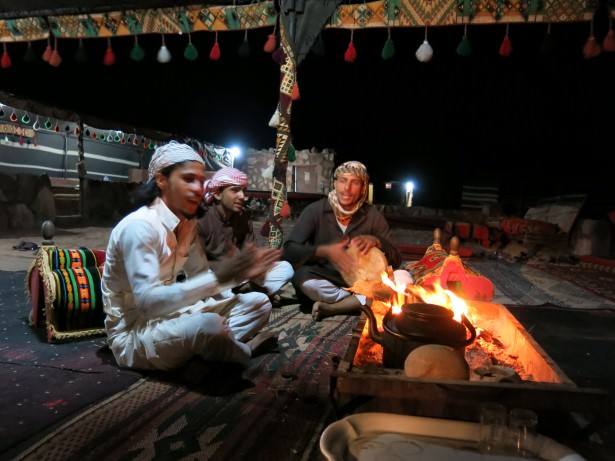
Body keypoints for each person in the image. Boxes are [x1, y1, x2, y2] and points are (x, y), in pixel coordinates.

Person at [101, 141, 281, 373]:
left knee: (259, 304)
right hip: (134, 331)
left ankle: (205, 353)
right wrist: (224, 276)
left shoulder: (186, 224)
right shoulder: (140, 227)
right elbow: (148, 304)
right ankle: (243, 352)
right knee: (210, 326)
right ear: (161, 180)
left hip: (172, 315)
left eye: (200, 180)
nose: (198, 188)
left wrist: (239, 276)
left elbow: (201, 274)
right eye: (188, 179)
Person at [282, 160, 405, 321]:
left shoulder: (373, 216)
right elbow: (289, 250)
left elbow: (396, 259)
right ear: (335, 183)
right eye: (342, 181)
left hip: (364, 281)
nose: (347, 188)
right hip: (326, 276)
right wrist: (322, 251)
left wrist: (377, 241)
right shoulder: (316, 210)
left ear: (363, 188)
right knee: (304, 279)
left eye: (354, 183)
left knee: (402, 277)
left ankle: (332, 308)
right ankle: (358, 301)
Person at [196, 167, 294, 303]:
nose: (242, 196)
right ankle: (252, 294)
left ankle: (245, 295)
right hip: (219, 277)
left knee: (285, 268)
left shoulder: (243, 217)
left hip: (242, 275)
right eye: (235, 190)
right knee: (205, 280)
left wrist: (259, 263)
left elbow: (250, 253)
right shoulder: (201, 219)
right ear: (218, 194)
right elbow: (198, 267)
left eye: (243, 190)